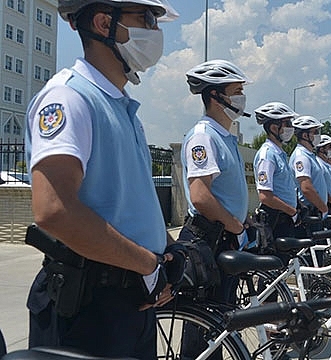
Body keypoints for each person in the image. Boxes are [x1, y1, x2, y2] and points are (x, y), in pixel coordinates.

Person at [24, 1, 183, 358]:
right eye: (146, 19)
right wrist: (147, 264)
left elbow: (127, 202)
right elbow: (55, 210)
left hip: (130, 302)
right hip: (89, 308)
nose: (155, 32)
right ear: (102, 22)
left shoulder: (122, 106)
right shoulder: (69, 97)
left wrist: (167, 251)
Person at [178, 59, 252, 304]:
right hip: (210, 240)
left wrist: (242, 220)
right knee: (205, 326)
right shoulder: (204, 137)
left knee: (224, 315)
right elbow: (200, 196)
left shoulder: (225, 138)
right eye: (237, 92)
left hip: (226, 236)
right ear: (215, 96)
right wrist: (235, 225)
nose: (242, 98)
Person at [252, 102, 300, 249]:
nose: (291, 128)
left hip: (285, 217)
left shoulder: (280, 153)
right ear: (274, 128)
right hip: (276, 219)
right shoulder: (267, 155)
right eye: (287, 123)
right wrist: (292, 211)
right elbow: (265, 196)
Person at [289, 115, 329, 237]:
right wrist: (324, 208)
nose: (318, 135)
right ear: (305, 136)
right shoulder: (302, 156)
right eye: (315, 132)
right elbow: (306, 188)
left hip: (316, 210)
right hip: (311, 212)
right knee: (312, 253)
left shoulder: (309, 155)